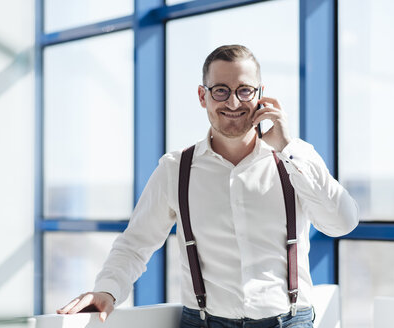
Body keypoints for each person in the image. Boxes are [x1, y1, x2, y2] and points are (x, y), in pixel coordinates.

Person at [57, 45, 359, 328]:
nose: (233, 102)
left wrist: (289, 147)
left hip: (290, 321)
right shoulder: (176, 169)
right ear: (203, 96)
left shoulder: (294, 160)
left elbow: (341, 222)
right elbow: (135, 243)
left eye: (244, 90)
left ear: (261, 95)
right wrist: (107, 290)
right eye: (221, 91)